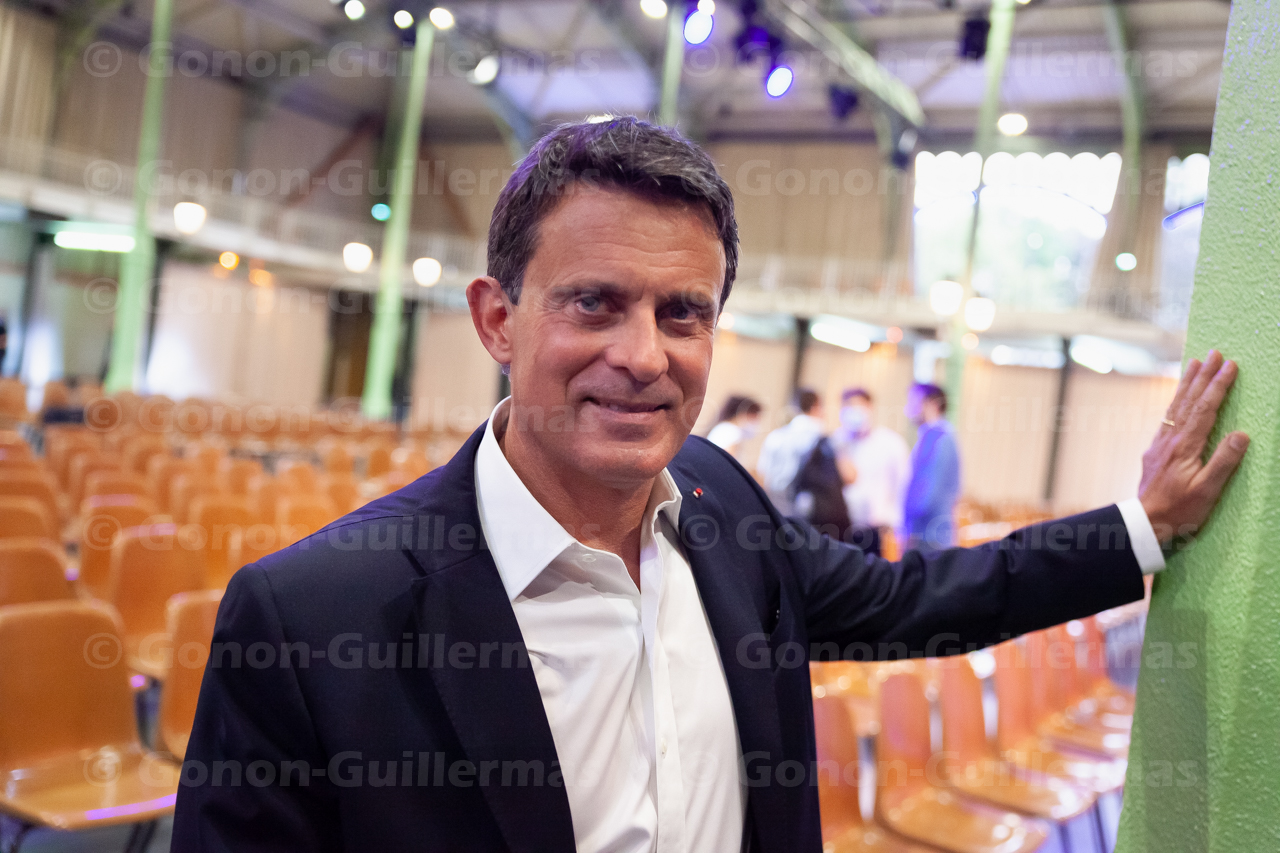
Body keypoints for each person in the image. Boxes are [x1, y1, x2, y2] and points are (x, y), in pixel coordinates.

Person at [175, 118, 1249, 853]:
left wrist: (1141, 525)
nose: (644, 355)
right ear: (498, 319)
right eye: (594, 303)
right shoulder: (314, 618)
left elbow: (918, 599)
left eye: (681, 312)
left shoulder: (721, 505)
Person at [833, 388, 910, 555]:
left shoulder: (890, 443)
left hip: (875, 529)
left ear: (870, 408)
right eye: (848, 406)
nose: (853, 411)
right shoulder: (835, 442)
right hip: (839, 527)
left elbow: (902, 485)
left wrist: (895, 523)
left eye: (858, 406)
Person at [901, 383, 961, 548]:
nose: (908, 407)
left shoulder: (937, 438)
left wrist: (909, 526)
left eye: (913, 401)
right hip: (926, 534)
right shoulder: (931, 436)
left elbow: (927, 491)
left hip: (928, 536)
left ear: (932, 404)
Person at [756, 387, 825, 515]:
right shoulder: (819, 436)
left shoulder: (776, 436)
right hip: (805, 506)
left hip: (774, 500)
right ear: (815, 407)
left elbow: (762, 474)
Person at [706, 394, 762, 459]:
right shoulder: (733, 432)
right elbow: (729, 460)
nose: (756, 421)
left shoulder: (722, 427)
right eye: (754, 417)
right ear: (743, 414)